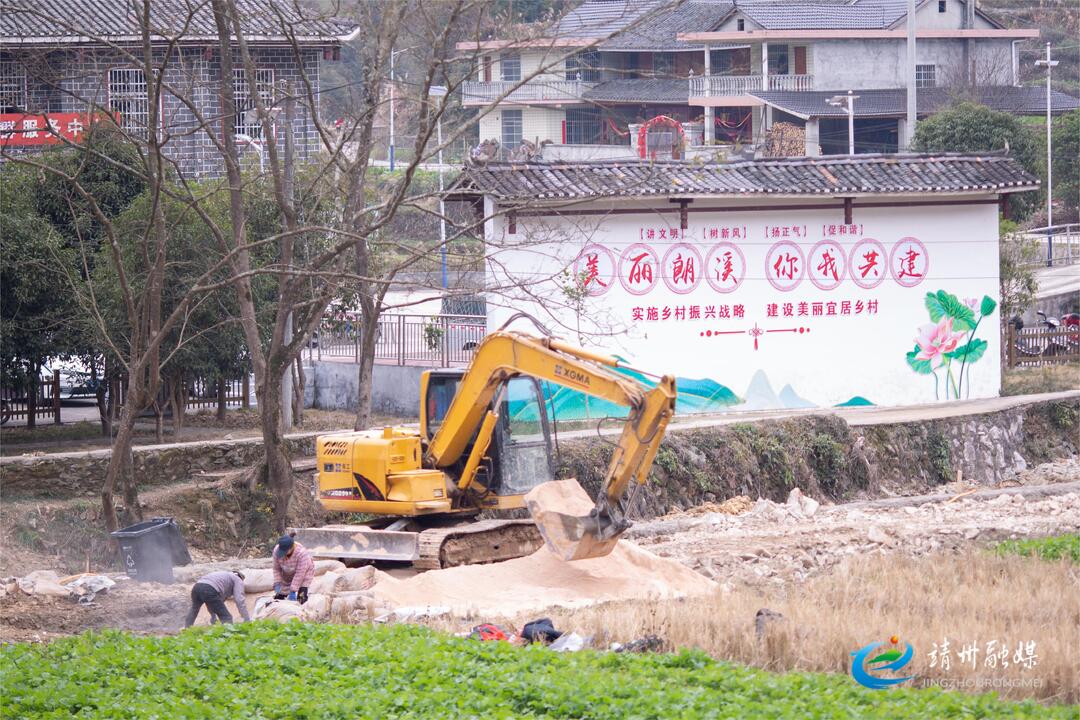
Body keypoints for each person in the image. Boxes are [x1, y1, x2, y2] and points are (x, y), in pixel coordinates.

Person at [184, 570, 250, 627]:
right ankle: (228, 636)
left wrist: (213, 616)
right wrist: (246, 619)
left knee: (194, 609)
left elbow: (212, 602)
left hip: (196, 587)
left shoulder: (224, 576)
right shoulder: (237, 579)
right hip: (209, 589)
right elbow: (239, 600)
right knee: (227, 617)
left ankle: (187, 630)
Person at [272, 535, 314, 604]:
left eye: (284, 552)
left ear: (291, 548)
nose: (283, 555)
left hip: (304, 573)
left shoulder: (301, 553)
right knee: (279, 598)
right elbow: (276, 568)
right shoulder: (276, 551)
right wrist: (277, 582)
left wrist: (293, 590)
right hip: (287, 572)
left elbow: (300, 574)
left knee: (301, 598)